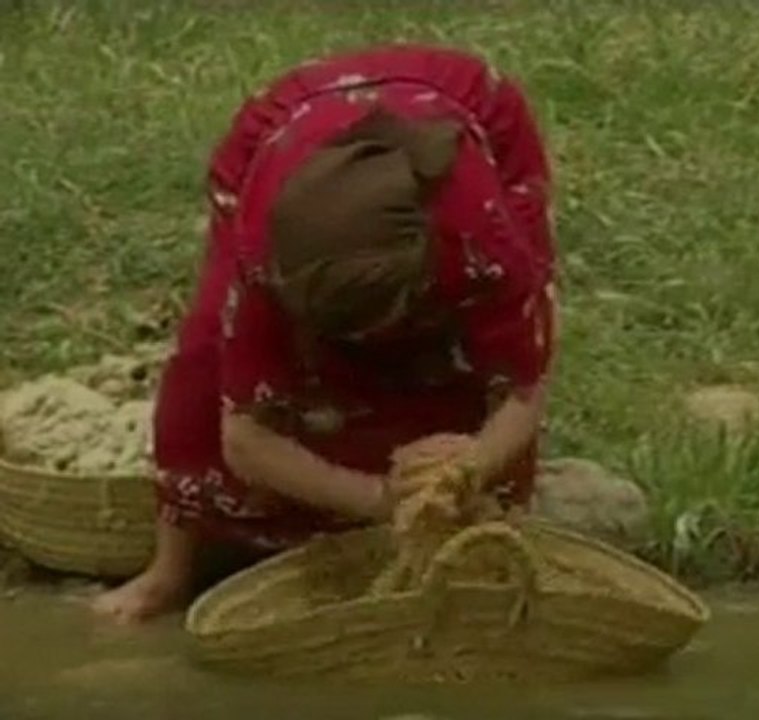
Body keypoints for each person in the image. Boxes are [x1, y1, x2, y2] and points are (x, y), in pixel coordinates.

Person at [92, 44, 557, 624]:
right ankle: (166, 574)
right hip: (286, 134)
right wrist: (382, 501)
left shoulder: (478, 245)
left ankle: (478, 544)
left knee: (463, 372)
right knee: (204, 352)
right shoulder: (265, 253)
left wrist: (466, 470)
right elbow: (243, 436)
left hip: (465, 118)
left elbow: (523, 385)